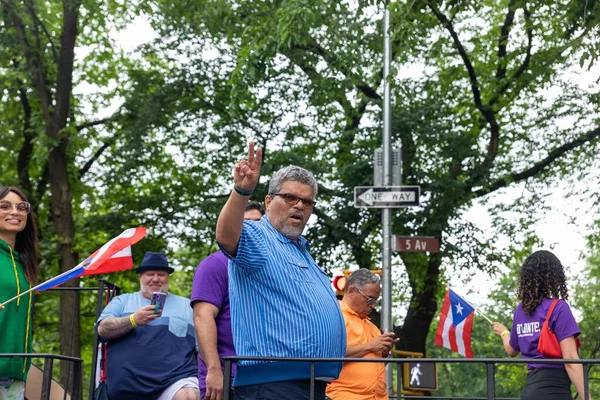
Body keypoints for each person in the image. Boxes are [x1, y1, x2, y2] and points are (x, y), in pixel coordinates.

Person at [215, 142, 346, 400]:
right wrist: (242, 190)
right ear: (268, 200)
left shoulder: (303, 251)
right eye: (289, 197)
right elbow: (226, 235)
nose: (299, 206)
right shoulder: (259, 236)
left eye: (307, 202)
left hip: (309, 385)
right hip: (272, 385)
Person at [97, 251, 199, 400]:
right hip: (127, 388)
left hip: (174, 381)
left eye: (161, 274)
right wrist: (133, 320)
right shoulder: (122, 301)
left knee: (188, 396)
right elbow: (103, 330)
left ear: (168, 277)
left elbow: (202, 348)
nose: (156, 279)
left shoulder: (187, 306)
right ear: (141, 277)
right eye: (150, 274)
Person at [491, 250, 590, 400]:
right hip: (555, 390)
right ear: (554, 277)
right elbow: (570, 359)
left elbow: (511, 350)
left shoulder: (520, 310)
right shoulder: (559, 307)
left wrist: (504, 333)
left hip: (530, 390)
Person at [191, 201, 265, 400]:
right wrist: (214, 370)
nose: (250, 229)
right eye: (244, 222)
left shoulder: (268, 267)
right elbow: (202, 317)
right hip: (226, 379)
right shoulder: (214, 265)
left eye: (257, 223)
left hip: (266, 379)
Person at [326, 269, 397, 400]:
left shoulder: (372, 327)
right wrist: (370, 346)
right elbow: (328, 353)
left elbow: (374, 365)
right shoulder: (334, 317)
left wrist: (384, 353)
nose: (373, 305)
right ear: (352, 291)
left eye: (376, 301)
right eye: (370, 299)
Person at [0, 186, 39, 400]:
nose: (15, 212)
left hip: (15, 373)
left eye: (21, 207)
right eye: (5, 206)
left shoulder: (24, 264)